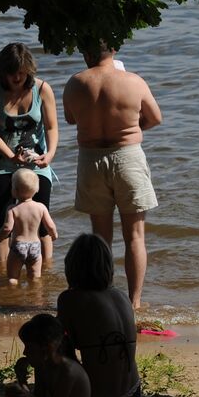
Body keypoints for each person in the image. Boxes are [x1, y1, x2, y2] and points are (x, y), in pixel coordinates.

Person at [55, 235, 199, 397]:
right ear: (108, 266)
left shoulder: (70, 299)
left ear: (72, 266)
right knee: (120, 390)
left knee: (57, 353)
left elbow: (63, 349)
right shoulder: (121, 296)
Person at [63, 41, 161, 309]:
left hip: (91, 159)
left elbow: (71, 119)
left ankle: (102, 296)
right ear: (114, 51)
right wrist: (131, 127)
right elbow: (155, 118)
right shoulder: (133, 81)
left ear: (86, 53)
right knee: (135, 236)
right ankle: (135, 302)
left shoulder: (75, 83)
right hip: (127, 156)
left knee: (100, 237)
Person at [0, 42, 58, 266]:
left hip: (37, 162)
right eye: (12, 73)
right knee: (1, 221)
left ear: (29, 71)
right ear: (2, 72)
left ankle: (44, 271)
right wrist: (11, 156)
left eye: (22, 73)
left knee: (42, 221)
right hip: (2, 162)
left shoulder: (42, 89)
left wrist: (50, 155)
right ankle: (2, 274)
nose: (17, 78)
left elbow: (52, 127)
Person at [0, 169, 60, 285]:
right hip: (35, 247)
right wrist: (54, 235)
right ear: (36, 189)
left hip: (18, 246)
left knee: (13, 278)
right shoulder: (41, 207)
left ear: (14, 191)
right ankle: (36, 299)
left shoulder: (13, 209)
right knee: (35, 278)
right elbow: (50, 226)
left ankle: (12, 297)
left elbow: (7, 228)